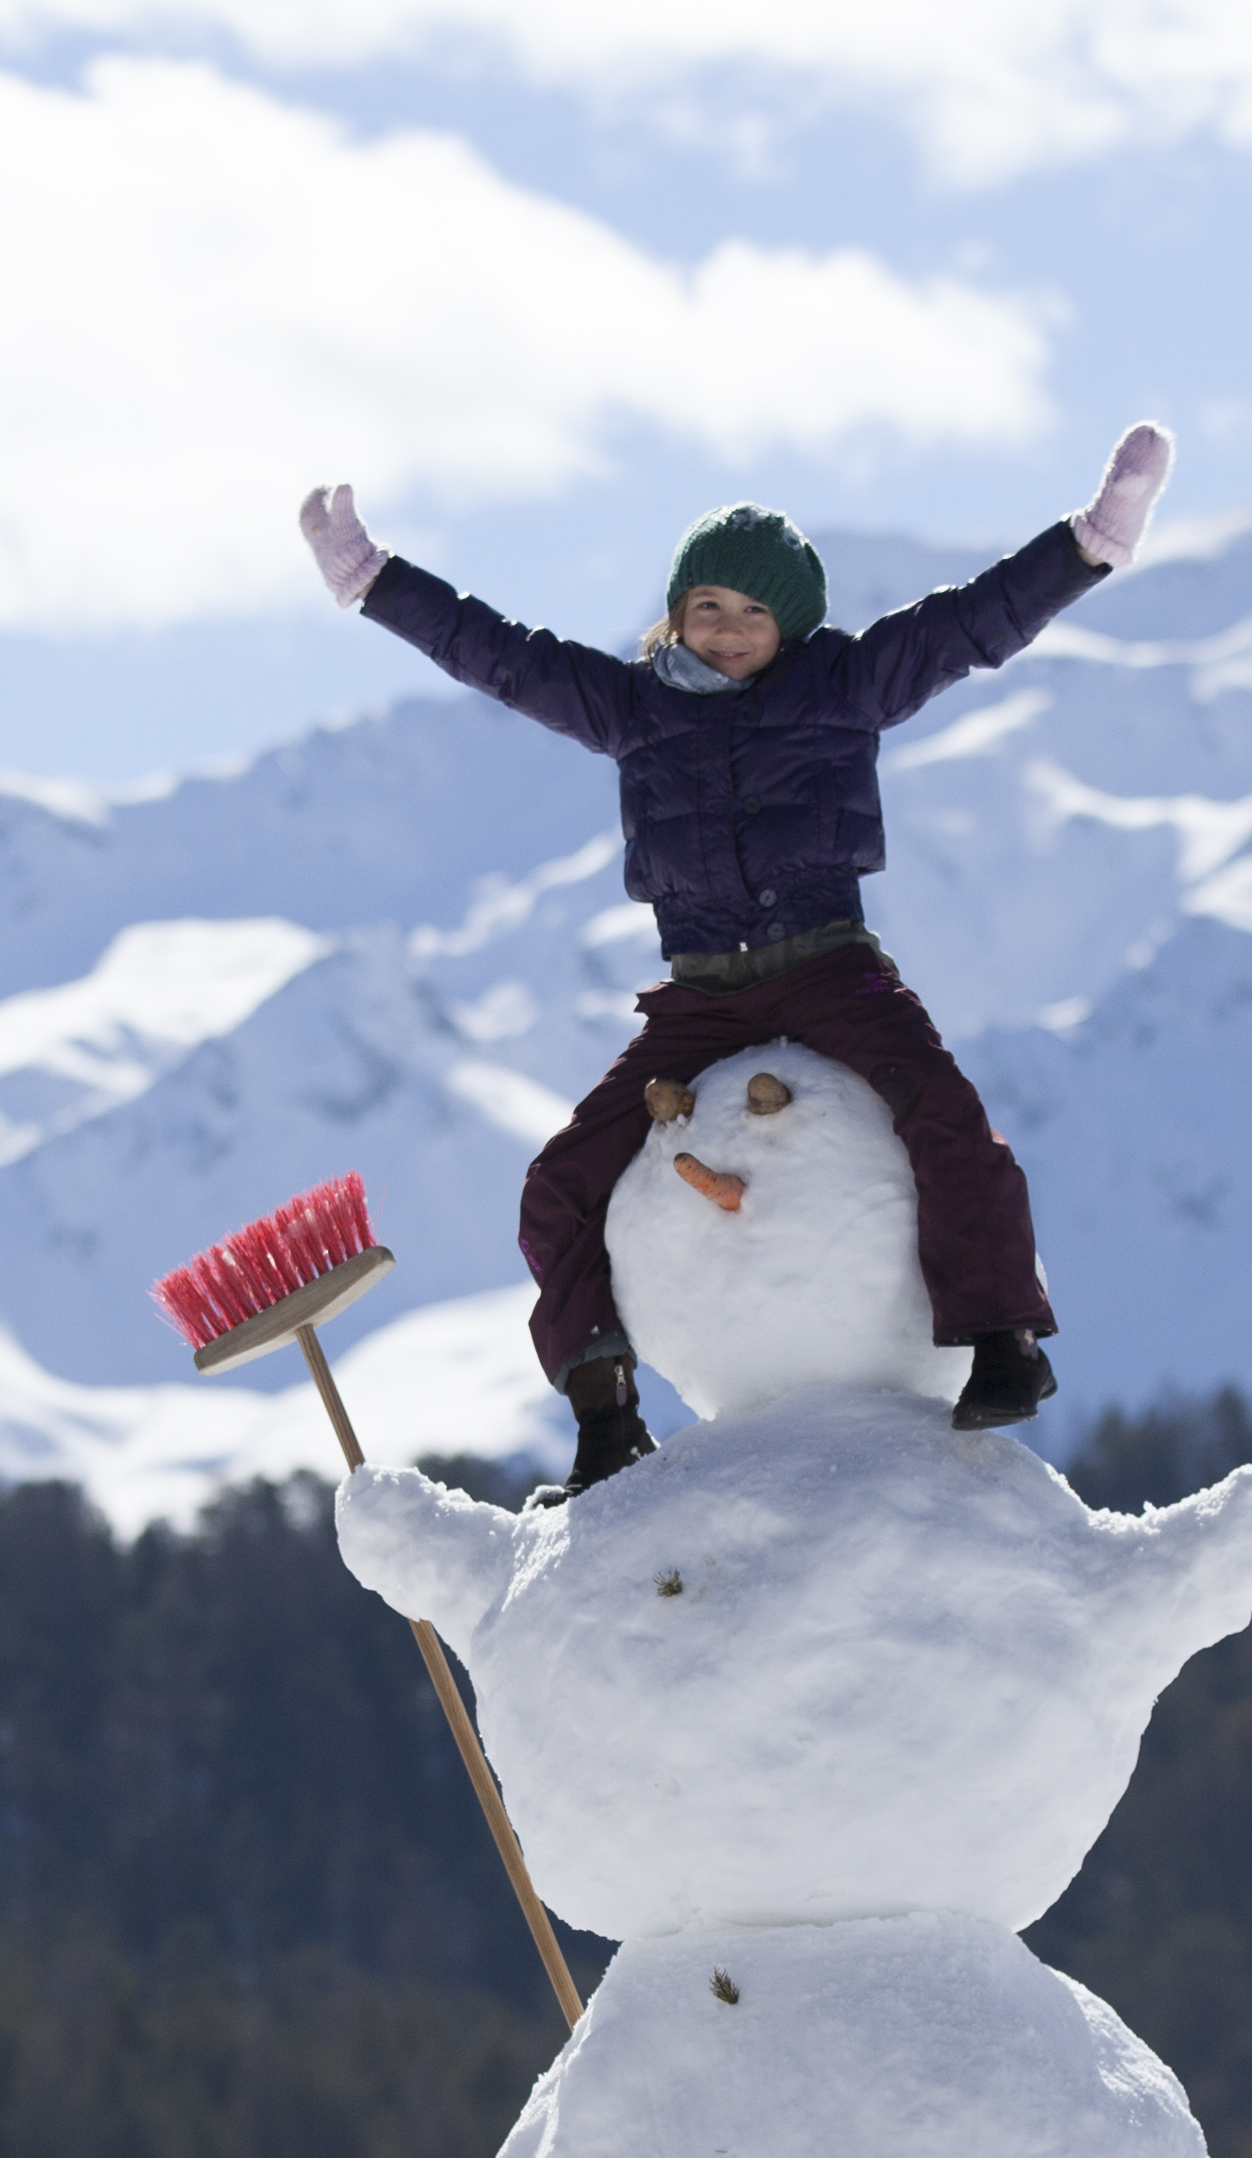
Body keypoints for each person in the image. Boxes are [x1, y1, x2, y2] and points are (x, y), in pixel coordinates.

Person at [298, 426, 1174, 1495]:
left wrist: (1087, 545)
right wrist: (374, 580)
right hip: (701, 999)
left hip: (828, 967)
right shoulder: (631, 706)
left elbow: (972, 623)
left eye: (752, 612)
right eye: (707, 605)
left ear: (788, 626)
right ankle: (604, 1413)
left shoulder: (841, 683)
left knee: (940, 1111)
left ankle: (999, 1339)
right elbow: (500, 654)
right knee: (558, 1185)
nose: (725, 630)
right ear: (677, 611)